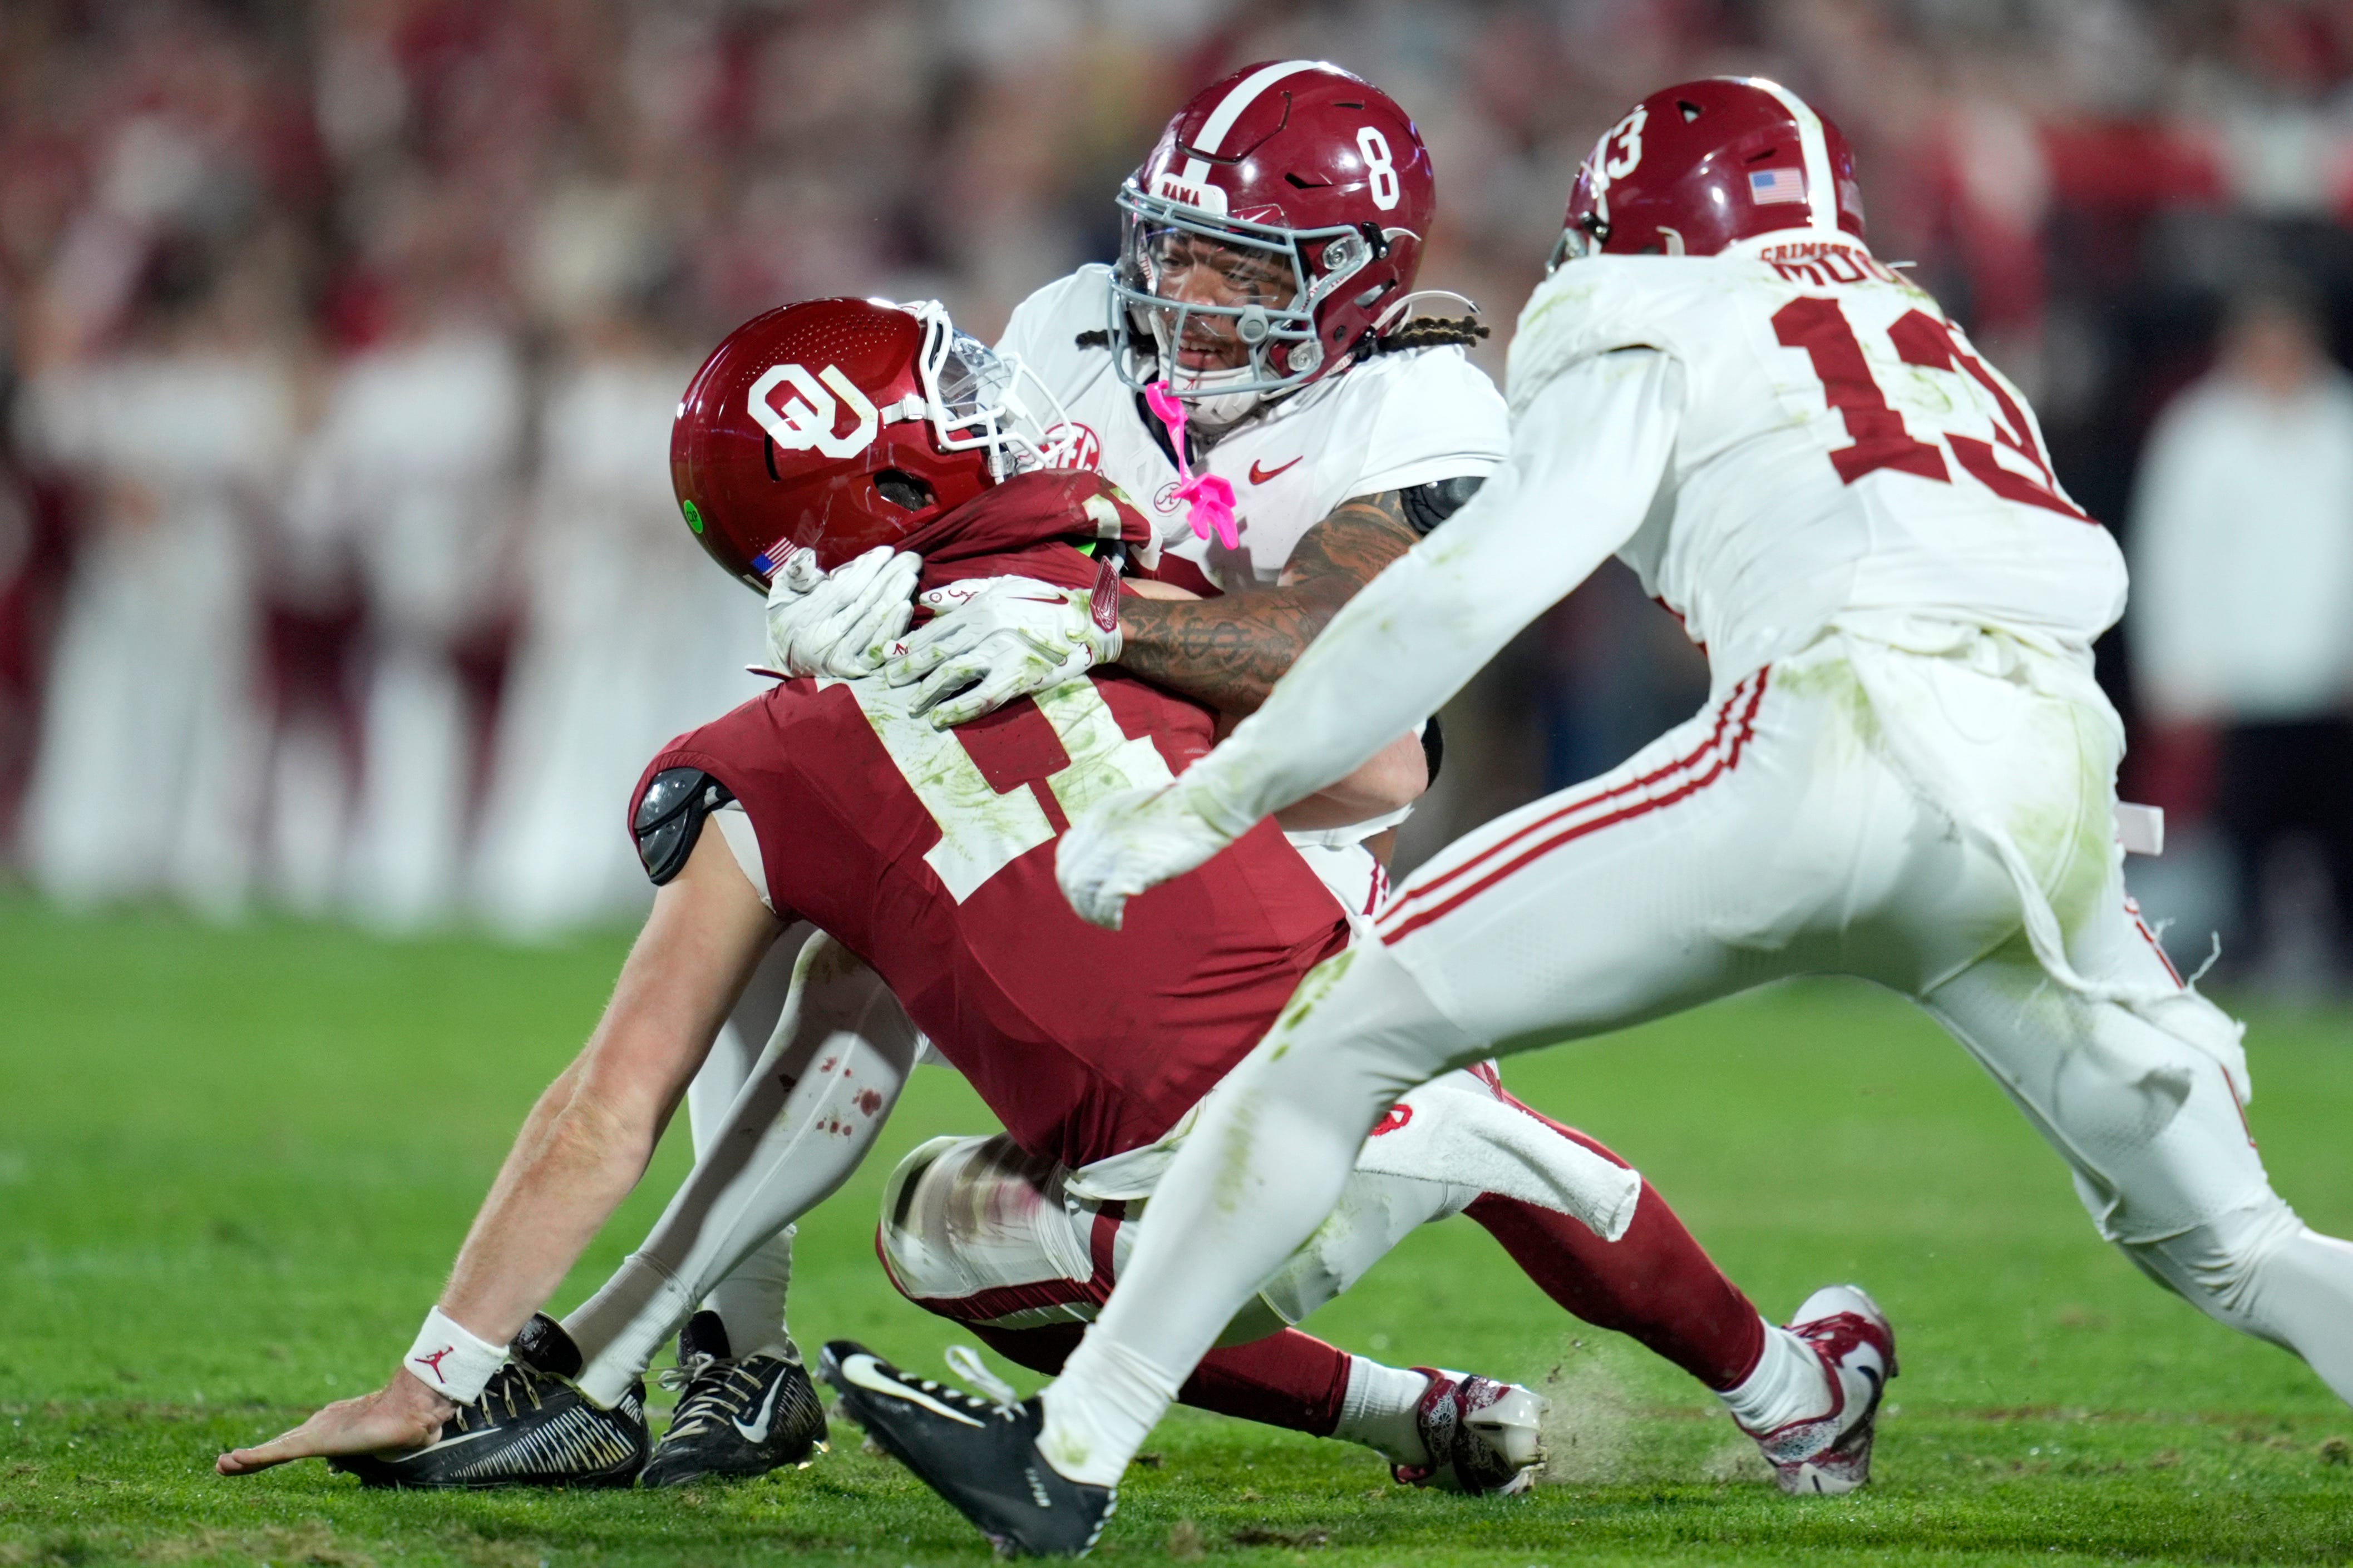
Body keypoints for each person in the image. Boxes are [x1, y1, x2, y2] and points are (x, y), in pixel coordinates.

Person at [831, 76, 2353, 1557]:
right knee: (2235, 1246)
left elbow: (1484, 583)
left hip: (1831, 742)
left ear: (1633, 225)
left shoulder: (1641, 304)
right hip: (2050, 794)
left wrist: (1207, 799)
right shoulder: (1939, 342)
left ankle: (1068, 1451)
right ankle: (1801, 1391)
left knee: (1345, 1029)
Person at [216, 299, 1864, 1501]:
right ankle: (1781, 1390)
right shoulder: (1101, 549)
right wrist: (1157, 631)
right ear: (903, 484)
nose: (998, 408)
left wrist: (473, 1364)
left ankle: (1407, 1414)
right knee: (1406, 1059)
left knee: (932, 1210)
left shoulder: (765, 760)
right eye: (948, 405)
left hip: (1143, 1218)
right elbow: (1376, 779)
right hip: (1368, 1106)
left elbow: (624, 1099)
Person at [566, 59, 1508, 1485]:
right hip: (1049, 766)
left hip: (1262, 841)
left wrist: (1098, 617)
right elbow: (945, 524)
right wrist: (858, 587)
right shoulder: (1070, 325)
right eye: (1175, 242)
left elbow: (1348, 685)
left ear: (1355, 281)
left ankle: (1423, 1399)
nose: (1187, 285)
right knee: (793, 894)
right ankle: (735, 1356)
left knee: (992, 1238)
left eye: (1244, 265)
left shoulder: (1426, 406)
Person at [2129, 281, 2353, 979]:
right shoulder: (2201, 431)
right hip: (2236, 681)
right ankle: (2244, 953)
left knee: (2338, 835)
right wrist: (2177, 669)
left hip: (2326, 677)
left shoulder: (2338, 424)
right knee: (2237, 841)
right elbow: (2170, 553)